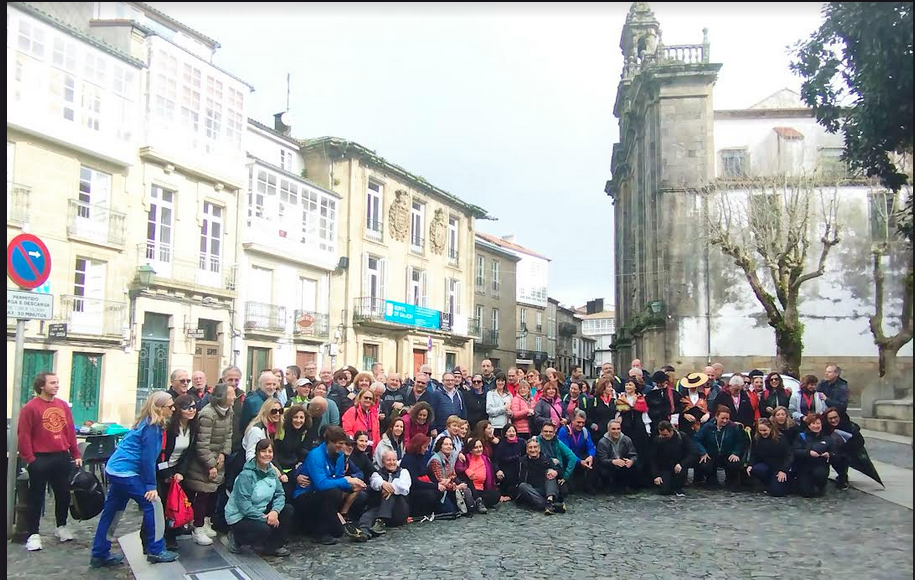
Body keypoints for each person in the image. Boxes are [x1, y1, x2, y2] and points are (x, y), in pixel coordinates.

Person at [90, 392, 178, 567]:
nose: (173, 409)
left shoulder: (144, 423)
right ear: (159, 408)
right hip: (127, 472)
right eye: (170, 406)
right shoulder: (153, 428)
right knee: (154, 505)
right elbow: (147, 459)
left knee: (113, 510)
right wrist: (151, 486)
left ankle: (100, 552)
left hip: (115, 469)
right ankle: (156, 550)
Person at [18, 372, 82, 552]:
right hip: (40, 457)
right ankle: (33, 534)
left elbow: (69, 430)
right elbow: (24, 435)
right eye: (52, 383)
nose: (56, 386)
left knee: (62, 494)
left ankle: (61, 526)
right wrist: (30, 459)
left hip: (61, 456)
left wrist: (75, 453)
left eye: (57, 383)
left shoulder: (62, 405)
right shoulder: (30, 408)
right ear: (41, 386)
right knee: (36, 496)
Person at [142, 394, 198, 552]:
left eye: (194, 407)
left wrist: (180, 472)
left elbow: (189, 453)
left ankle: (171, 536)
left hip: (177, 470)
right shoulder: (168, 428)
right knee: (157, 506)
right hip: (161, 470)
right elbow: (160, 454)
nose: (192, 410)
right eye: (188, 407)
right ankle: (149, 540)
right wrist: (166, 474)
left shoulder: (192, 428)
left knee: (174, 505)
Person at [293, 426, 368, 545]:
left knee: (337, 532)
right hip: (305, 494)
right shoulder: (316, 455)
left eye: (343, 443)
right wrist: (347, 480)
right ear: (329, 442)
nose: (342, 447)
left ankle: (325, 525)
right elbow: (321, 484)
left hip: (323, 494)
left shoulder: (339, 455)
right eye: (339, 444)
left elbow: (337, 478)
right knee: (332, 492)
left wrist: (352, 486)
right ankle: (319, 532)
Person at [223, 438, 292, 556]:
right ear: (257, 453)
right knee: (264, 529)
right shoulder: (246, 475)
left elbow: (280, 494)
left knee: (288, 509)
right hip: (240, 516)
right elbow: (243, 505)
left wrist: (275, 512)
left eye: (270, 452)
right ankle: (237, 538)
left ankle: (273, 546)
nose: (267, 454)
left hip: (261, 510)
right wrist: (265, 518)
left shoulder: (272, 472)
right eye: (263, 451)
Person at [184, 383, 235, 542]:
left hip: (218, 459)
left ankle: (206, 522)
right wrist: (211, 464)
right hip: (202, 464)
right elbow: (202, 443)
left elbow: (228, 435)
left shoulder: (229, 412)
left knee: (212, 494)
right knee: (202, 495)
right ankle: (197, 527)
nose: (234, 397)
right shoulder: (207, 414)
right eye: (231, 394)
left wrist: (223, 454)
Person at [350, 449, 413, 541]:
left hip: (398, 511)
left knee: (390, 494)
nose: (391, 462)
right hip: (379, 508)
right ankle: (364, 533)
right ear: (383, 462)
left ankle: (381, 521)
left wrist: (388, 487)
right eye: (388, 460)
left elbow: (404, 487)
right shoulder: (376, 474)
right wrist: (383, 484)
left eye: (393, 460)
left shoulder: (404, 472)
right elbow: (375, 483)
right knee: (369, 514)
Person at [694, 406, 747, 489]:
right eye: (722, 418)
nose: (725, 421)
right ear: (716, 416)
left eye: (727, 418)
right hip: (711, 455)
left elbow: (740, 442)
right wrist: (703, 452)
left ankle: (730, 479)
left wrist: (735, 453)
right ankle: (711, 479)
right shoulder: (707, 426)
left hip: (728, 455)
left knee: (735, 463)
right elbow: (696, 440)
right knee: (705, 464)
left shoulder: (734, 427)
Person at [793, 414, 842, 497]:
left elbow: (835, 453)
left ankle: (820, 485)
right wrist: (808, 453)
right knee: (806, 493)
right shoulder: (801, 436)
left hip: (820, 466)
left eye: (818, 423)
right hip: (804, 467)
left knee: (819, 476)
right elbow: (795, 451)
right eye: (813, 424)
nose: (816, 426)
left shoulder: (827, 438)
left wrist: (829, 454)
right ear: (809, 425)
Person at [516, 438, 565, 515]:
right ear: (527, 450)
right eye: (530, 447)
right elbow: (520, 480)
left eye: (535, 447)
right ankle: (550, 505)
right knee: (522, 486)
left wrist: (555, 472)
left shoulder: (546, 458)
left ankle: (549, 501)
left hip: (546, 489)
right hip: (532, 491)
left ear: (539, 449)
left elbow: (560, 472)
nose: (533, 450)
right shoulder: (522, 461)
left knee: (550, 473)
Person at [427, 436, 473, 515]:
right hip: (440, 491)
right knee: (451, 511)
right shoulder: (436, 460)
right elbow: (441, 481)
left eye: (451, 444)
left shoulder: (450, 457)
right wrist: (457, 487)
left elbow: (453, 475)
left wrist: (448, 479)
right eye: (446, 444)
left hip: (449, 487)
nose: (449, 446)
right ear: (440, 446)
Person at [649, 421, 697, 497]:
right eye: (661, 434)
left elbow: (692, 453)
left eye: (665, 435)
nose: (662, 437)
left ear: (671, 431)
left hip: (679, 467)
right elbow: (653, 459)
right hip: (665, 468)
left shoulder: (682, 437)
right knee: (664, 490)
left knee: (678, 480)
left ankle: (678, 486)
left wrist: (682, 464)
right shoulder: (657, 440)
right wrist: (656, 475)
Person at [746, 418, 791, 497]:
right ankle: (768, 483)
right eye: (760, 430)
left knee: (777, 492)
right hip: (766, 465)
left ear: (770, 428)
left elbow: (789, 455)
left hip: (779, 466)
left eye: (765, 430)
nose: (762, 433)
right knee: (755, 469)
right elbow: (754, 453)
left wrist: (784, 470)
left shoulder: (780, 438)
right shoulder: (757, 438)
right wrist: (750, 464)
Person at [400, 433, 441, 518]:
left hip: (421, 484)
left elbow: (427, 474)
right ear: (418, 446)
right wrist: (435, 486)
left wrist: (439, 483)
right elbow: (414, 482)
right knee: (430, 494)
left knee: (439, 491)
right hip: (412, 488)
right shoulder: (408, 459)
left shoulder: (421, 456)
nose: (426, 450)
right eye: (425, 447)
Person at [274, 405, 312, 496]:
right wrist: (280, 473)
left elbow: (299, 450)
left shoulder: (302, 432)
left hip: (292, 469)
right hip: (278, 470)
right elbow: (274, 454)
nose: (298, 421)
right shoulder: (281, 431)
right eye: (295, 417)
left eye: (301, 418)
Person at [557, 409, 597, 493]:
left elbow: (591, 446)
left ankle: (589, 485)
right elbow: (566, 453)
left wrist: (590, 456)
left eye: (583, 423)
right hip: (567, 462)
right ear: (572, 420)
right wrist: (580, 461)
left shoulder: (585, 431)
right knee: (571, 489)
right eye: (578, 422)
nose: (581, 425)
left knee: (595, 459)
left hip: (579, 459)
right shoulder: (564, 431)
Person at [456, 437, 500, 513]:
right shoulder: (465, 458)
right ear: (470, 450)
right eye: (475, 447)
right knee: (467, 479)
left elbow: (491, 478)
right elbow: (457, 469)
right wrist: (466, 470)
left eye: (480, 447)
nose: (479, 449)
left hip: (481, 490)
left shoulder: (486, 459)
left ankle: (476, 502)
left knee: (495, 495)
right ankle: (477, 501)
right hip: (468, 488)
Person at [595, 419, 639, 492]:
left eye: (618, 429)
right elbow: (601, 459)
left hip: (623, 465)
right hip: (609, 466)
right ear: (608, 430)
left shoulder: (626, 439)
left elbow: (634, 455)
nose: (616, 431)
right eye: (613, 429)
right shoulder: (602, 442)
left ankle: (627, 486)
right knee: (603, 470)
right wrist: (613, 461)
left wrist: (631, 461)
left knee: (635, 466)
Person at [535, 423, 578, 496]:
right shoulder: (536, 441)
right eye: (545, 431)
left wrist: (565, 476)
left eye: (550, 432)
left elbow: (572, 457)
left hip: (557, 471)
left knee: (564, 492)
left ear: (554, 433)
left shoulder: (558, 442)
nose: (548, 433)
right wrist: (551, 460)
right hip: (541, 471)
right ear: (541, 432)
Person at [821, 407, 852, 490]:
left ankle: (843, 477)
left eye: (835, 417)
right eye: (830, 418)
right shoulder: (824, 428)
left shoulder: (846, 425)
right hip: (830, 450)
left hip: (846, 450)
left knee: (844, 457)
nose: (833, 420)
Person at [494, 424, 526, 501]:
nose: (511, 433)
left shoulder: (522, 442)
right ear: (505, 434)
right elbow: (495, 460)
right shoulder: (501, 445)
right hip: (505, 469)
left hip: (518, 468)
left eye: (513, 431)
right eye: (509, 431)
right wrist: (497, 470)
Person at [486, 373, 513, 437]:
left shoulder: (509, 395)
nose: (500, 383)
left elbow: (512, 411)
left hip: (507, 426)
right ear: (495, 382)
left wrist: (510, 413)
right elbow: (489, 411)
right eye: (498, 380)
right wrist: (503, 408)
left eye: (502, 381)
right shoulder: (490, 394)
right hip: (495, 426)